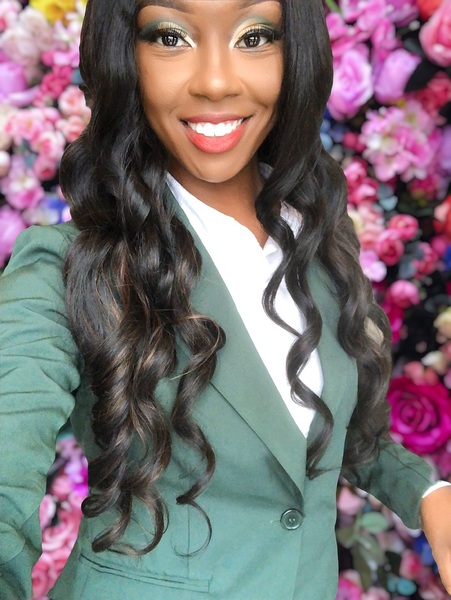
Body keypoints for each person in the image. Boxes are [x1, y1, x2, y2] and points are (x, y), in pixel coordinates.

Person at [1, 0, 450, 598]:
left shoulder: (316, 237)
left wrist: (427, 493)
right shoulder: (67, 267)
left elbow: (323, 435)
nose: (215, 82)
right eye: (170, 36)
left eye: (255, 35)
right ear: (124, 57)